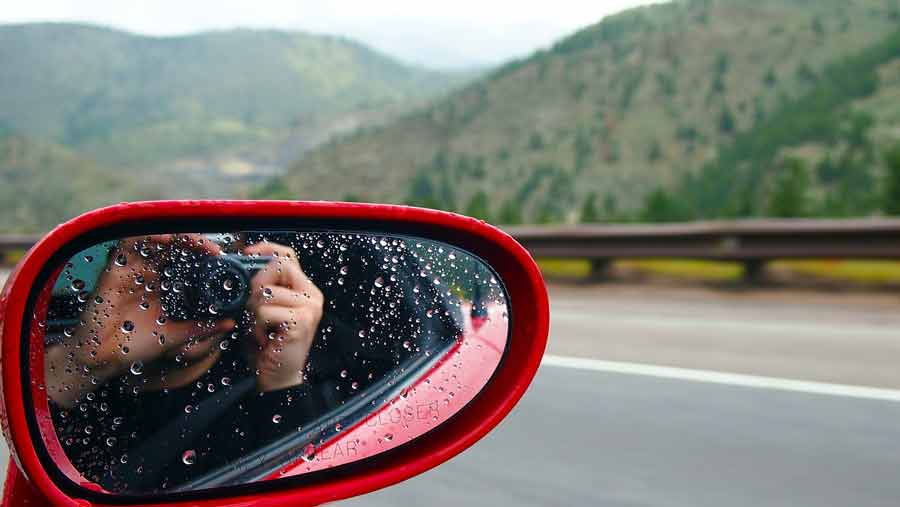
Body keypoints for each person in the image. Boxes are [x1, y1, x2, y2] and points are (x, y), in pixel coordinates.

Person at [43, 231, 462, 493]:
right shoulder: (92, 381)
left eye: (224, 267)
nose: (199, 284)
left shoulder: (270, 393)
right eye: (171, 268)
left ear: (256, 271)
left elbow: (289, 482)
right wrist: (86, 358)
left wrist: (283, 378)